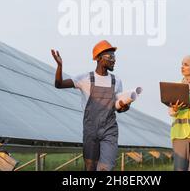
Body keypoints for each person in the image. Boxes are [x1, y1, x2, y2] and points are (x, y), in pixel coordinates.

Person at [51, 40, 130, 171]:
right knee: (90, 167)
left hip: (109, 129)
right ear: (99, 58)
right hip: (90, 130)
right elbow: (59, 84)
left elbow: (119, 108)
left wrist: (124, 106)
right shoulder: (85, 78)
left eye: (114, 57)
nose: (114, 60)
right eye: (110, 57)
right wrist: (60, 66)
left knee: (106, 167)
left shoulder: (117, 81)